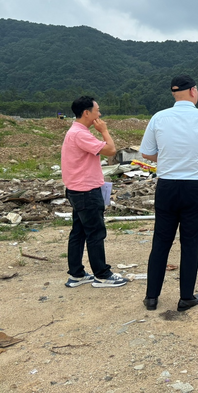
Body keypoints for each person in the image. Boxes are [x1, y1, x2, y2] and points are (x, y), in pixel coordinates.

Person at [139, 75, 198, 312]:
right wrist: (196, 160)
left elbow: (147, 153)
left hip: (167, 185)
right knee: (190, 242)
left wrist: (170, 158)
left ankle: (151, 297)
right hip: (195, 186)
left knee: (161, 241)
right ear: (193, 91)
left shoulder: (159, 117)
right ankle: (185, 296)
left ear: (173, 93)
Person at [61, 96, 128, 288]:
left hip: (77, 190)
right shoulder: (80, 134)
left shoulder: (76, 132)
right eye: (97, 110)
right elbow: (110, 150)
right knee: (95, 233)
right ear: (86, 113)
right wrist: (104, 131)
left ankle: (77, 274)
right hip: (86, 191)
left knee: (79, 232)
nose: (100, 114)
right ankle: (102, 275)